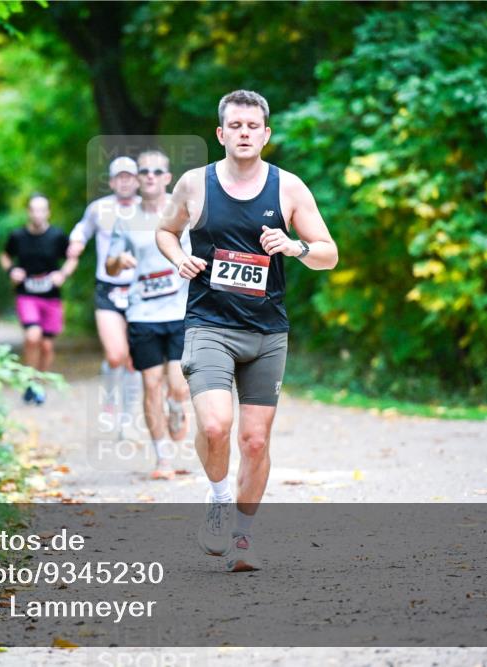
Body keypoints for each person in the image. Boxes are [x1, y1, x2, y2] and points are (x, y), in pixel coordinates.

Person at [156, 89, 338, 572]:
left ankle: (243, 538)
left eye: (252, 126)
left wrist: (294, 247)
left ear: (265, 133)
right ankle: (217, 499)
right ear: (220, 134)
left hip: (266, 332)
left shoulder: (289, 188)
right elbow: (165, 230)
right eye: (234, 126)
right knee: (215, 425)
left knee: (255, 441)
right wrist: (179, 258)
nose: (243, 133)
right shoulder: (195, 184)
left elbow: (329, 253)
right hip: (209, 324)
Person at [106, 150, 191, 480]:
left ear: (168, 178)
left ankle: (178, 405)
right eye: (145, 171)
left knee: (179, 386)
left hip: (180, 311)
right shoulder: (126, 222)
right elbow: (110, 265)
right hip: (142, 313)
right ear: (138, 179)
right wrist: (119, 262)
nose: (151, 176)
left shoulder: (186, 213)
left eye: (158, 171)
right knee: (150, 384)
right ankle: (163, 458)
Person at [68, 157, 142, 422]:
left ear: (137, 180)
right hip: (108, 288)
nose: (124, 181)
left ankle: (129, 412)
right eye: (119, 177)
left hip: (140, 289)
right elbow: (81, 230)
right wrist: (75, 243)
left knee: (134, 359)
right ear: (112, 182)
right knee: (115, 355)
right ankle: (109, 402)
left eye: (129, 176)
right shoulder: (99, 209)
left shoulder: (149, 209)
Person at [0, 194, 78, 405]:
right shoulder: (17, 236)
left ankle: (39, 383)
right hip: (27, 294)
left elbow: (72, 257)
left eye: (42, 209)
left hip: (51, 297)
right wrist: (12, 271)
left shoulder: (57, 236)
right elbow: (5, 256)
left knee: (46, 346)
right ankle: (29, 380)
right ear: (28, 212)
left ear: (48, 212)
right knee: (33, 336)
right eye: (34, 209)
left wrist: (62, 274)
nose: (38, 214)